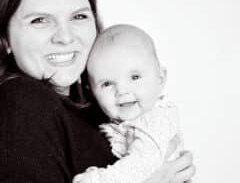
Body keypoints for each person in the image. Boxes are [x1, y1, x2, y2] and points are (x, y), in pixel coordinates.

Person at [0, 0, 195, 182]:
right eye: (40, 20)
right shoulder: (21, 104)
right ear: (3, 36)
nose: (65, 37)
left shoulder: (93, 103)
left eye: (79, 16)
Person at [73, 24, 194, 183]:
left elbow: (142, 164)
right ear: (92, 92)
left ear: (160, 79)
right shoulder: (114, 120)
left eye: (135, 77)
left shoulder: (157, 119)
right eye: (107, 84)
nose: (122, 91)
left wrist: (98, 179)